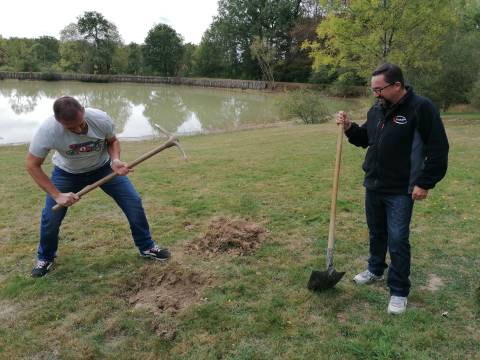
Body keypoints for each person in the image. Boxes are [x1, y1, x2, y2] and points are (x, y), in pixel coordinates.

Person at [336, 63, 449, 314]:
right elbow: (366, 139)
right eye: (373, 89)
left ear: (397, 85)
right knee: (377, 233)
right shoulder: (377, 109)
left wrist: (425, 182)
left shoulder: (421, 108)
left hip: (401, 189)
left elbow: (439, 148)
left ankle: (398, 291)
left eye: (380, 89)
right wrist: (348, 128)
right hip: (374, 184)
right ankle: (375, 269)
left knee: (397, 240)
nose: (375, 94)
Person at [26, 96, 171, 278]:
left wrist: (115, 160)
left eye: (80, 123)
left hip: (103, 168)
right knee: (51, 216)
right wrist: (57, 195)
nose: (79, 130)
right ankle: (46, 257)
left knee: (133, 202)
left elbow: (112, 141)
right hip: (67, 173)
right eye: (71, 128)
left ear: (83, 111)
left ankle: (147, 247)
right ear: (58, 121)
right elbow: (32, 165)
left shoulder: (100, 118)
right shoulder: (48, 131)